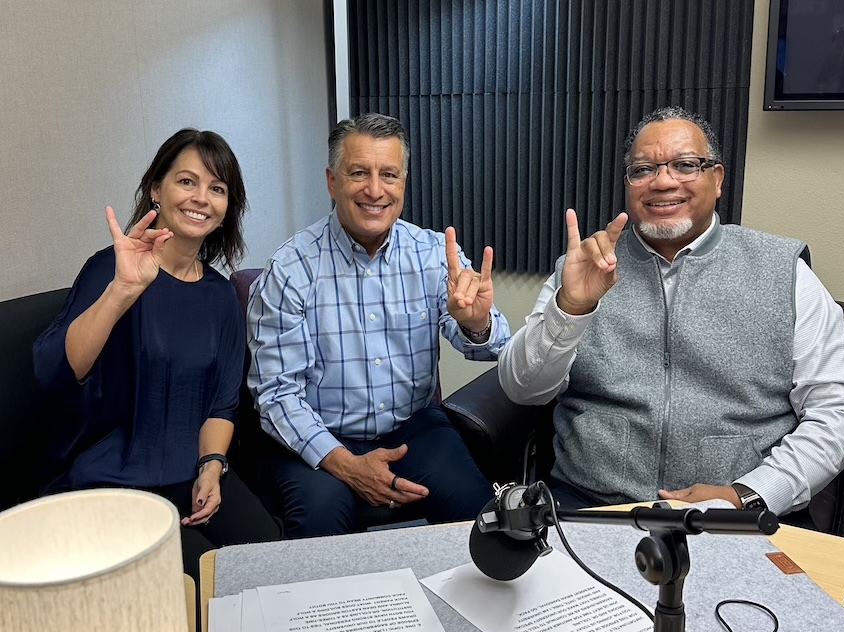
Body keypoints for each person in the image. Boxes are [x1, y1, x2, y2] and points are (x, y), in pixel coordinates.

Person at [498, 107, 844, 518]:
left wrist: (750, 493)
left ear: (718, 179)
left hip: (741, 511)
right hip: (589, 504)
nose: (662, 181)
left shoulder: (783, 272)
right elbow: (523, 389)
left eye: (685, 165)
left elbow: (840, 414)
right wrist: (571, 308)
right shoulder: (584, 266)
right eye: (643, 169)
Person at [247, 113, 510, 538]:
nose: (375, 190)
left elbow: (492, 345)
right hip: (321, 434)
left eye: (388, 174)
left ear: (403, 182)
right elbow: (276, 396)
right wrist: (348, 466)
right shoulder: (290, 270)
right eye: (358, 173)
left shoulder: (432, 254)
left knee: (480, 521)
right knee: (320, 526)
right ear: (332, 182)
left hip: (414, 429)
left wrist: (476, 323)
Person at [34, 128, 282, 578]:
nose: (201, 198)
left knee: (268, 557)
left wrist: (211, 466)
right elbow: (59, 370)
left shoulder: (221, 296)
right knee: (201, 582)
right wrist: (122, 291)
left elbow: (222, 403)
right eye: (186, 181)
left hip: (189, 473)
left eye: (217, 188)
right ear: (156, 190)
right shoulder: (113, 269)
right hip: (112, 481)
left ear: (227, 208)